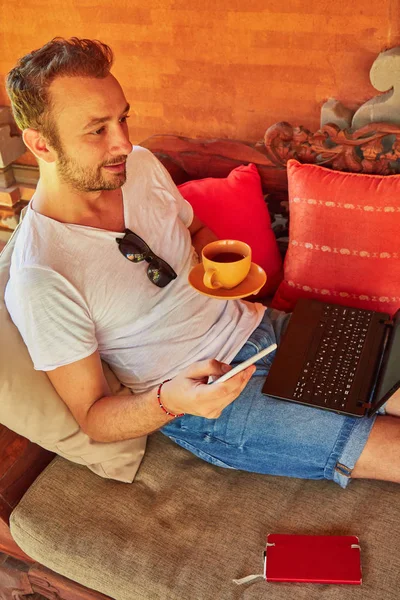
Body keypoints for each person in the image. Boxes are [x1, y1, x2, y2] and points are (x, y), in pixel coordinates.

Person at [4, 37, 400, 489]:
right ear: (41, 144)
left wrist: (228, 274)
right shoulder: (42, 277)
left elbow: (194, 232)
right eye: (97, 130)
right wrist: (170, 401)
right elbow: (94, 417)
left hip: (264, 328)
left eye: (123, 118)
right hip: (208, 400)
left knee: (390, 371)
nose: (124, 143)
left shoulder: (142, 166)